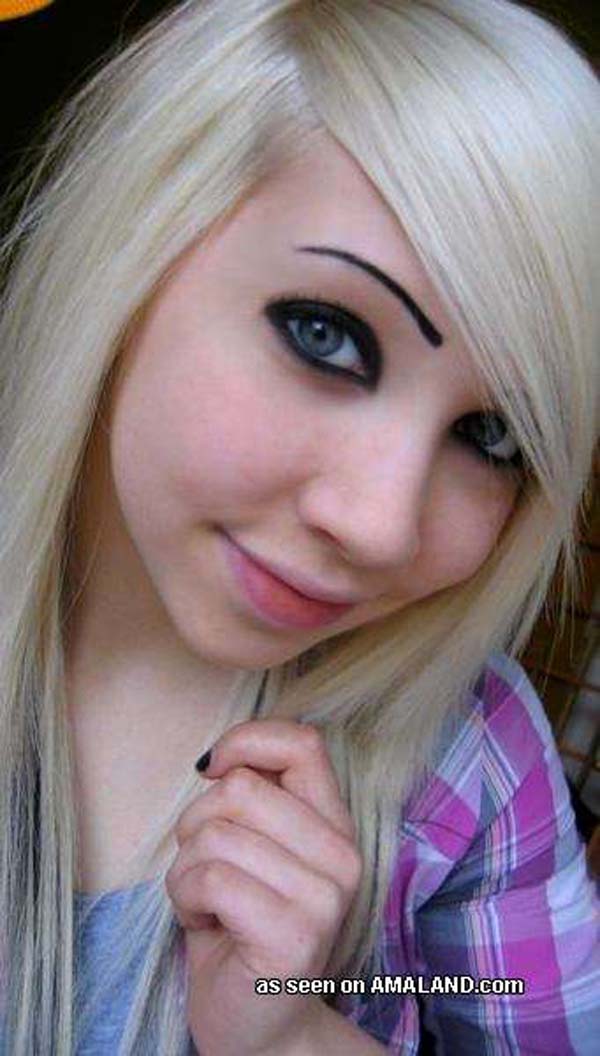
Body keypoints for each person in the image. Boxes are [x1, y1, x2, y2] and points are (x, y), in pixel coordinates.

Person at [0, 0, 598, 1052]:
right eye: (325, 334)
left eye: (494, 435)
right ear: (129, 249)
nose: (381, 527)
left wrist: (291, 1031)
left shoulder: (474, 760)